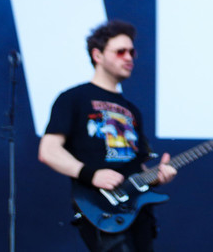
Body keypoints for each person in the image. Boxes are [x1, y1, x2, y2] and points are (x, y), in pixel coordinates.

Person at [38, 20, 176, 252]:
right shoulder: (73, 98)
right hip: (101, 207)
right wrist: (91, 175)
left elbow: (136, 168)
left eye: (132, 52)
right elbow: (48, 151)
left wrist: (158, 176)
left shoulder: (132, 110)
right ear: (98, 55)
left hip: (137, 212)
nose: (129, 57)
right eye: (120, 51)